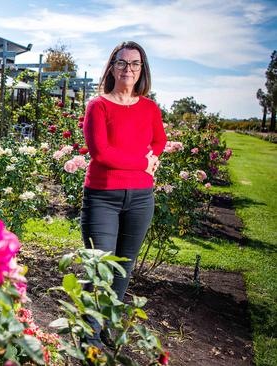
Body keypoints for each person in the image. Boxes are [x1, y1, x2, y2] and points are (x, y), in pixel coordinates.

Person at [81, 41, 167, 344]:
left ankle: (104, 327)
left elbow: (160, 139)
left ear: (142, 69)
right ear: (112, 66)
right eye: (122, 62)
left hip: (141, 198)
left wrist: (152, 157)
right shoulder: (98, 106)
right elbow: (102, 153)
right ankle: (89, 339)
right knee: (101, 267)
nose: (128, 68)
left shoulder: (149, 107)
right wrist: (143, 163)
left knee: (123, 269)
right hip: (103, 197)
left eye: (135, 63)